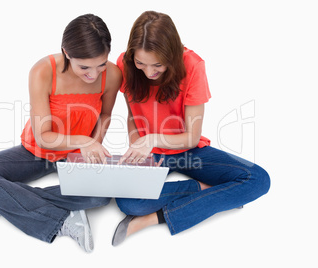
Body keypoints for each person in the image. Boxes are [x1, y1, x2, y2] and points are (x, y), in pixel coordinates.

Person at [0, 14, 122, 253]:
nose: (94, 74)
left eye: (101, 64)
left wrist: (93, 147)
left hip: (75, 157)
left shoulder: (112, 75)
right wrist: (85, 140)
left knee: (101, 197)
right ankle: (63, 219)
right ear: (66, 52)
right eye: (84, 67)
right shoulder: (43, 71)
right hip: (37, 152)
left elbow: (105, 115)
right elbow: (43, 136)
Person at [112, 11, 270, 246]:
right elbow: (133, 116)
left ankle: (153, 219)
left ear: (172, 55)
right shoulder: (124, 63)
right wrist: (137, 147)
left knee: (258, 179)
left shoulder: (193, 66)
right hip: (152, 154)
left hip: (187, 149)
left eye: (157, 64)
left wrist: (153, 139)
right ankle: (207, 190)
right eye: (140, 63)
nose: (148, 72)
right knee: (129, 203)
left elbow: (191, 137)